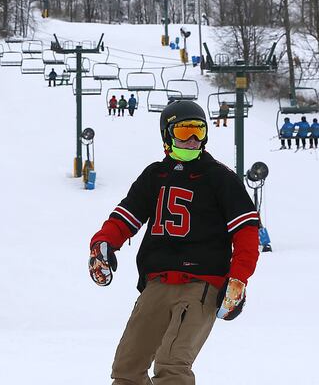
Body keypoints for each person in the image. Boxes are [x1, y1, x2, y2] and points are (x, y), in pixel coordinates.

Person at [87, 100, 259, 385]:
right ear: (167, 136)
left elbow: (246, 232)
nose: (192, 140)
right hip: (157, 283)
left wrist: (238, 278)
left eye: (198, 131)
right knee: (127, 368)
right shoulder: (155, 176)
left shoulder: (220, 178)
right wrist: (103, 243)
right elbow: (125, 217)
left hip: (200, 284)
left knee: (171, 365)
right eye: (183, 131)